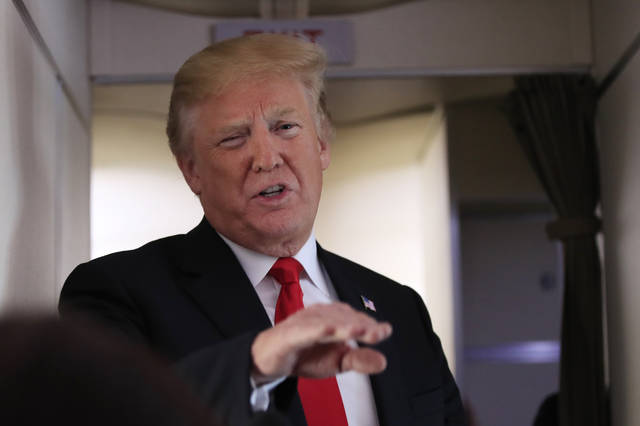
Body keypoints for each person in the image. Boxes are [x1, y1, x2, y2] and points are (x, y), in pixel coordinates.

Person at [59, 34, 465, 426]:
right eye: (234, 138)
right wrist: (252, 366)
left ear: (322, 144)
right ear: (191, 170)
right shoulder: (116, 294)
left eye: (285, 127)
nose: (266, 158)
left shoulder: (400, 308)